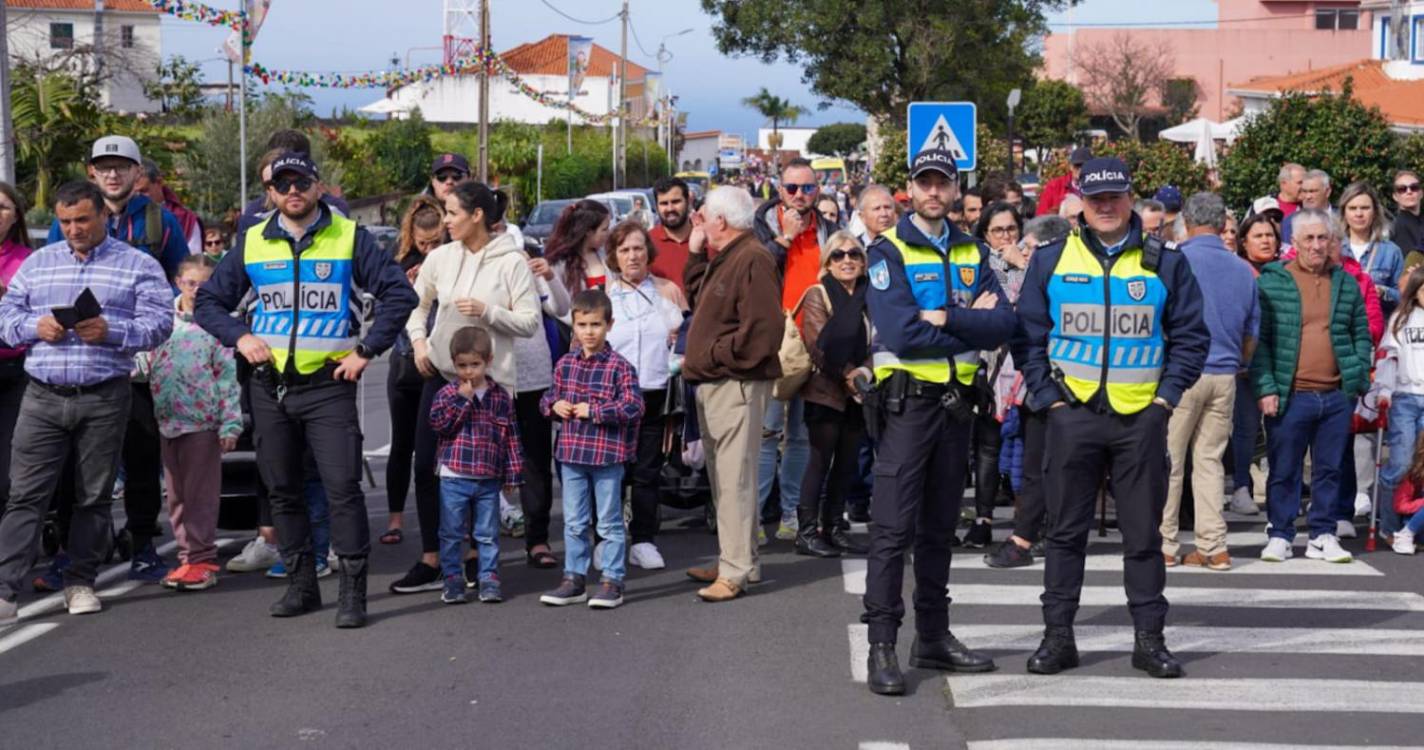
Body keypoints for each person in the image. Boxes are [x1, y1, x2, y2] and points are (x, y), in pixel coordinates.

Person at [195, 152, 418, 628]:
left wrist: (367, 350)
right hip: (270, 387)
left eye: (302, 182)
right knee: (283, 490)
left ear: (318, 187)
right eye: (283, 183)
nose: (292, 190)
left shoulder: (349, 237)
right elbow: (209, 302)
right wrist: (240, 336)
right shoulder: (252, 242)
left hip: (329, 385)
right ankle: (302, 586)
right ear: (270, 193)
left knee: (342, 490)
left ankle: (353, 594)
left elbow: (401, 294)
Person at [1016, 157, 1209, 679]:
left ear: (1130, 199)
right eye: (1095, 197)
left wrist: (1165, 400)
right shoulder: (1052, 257)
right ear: (1080, 200)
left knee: (1143, 536)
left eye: (1115, 197)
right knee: (1063, 535)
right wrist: (1048, 398)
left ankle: (1149, 640)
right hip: (1071, 415)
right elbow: (1028, 336)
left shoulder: (1164, 262)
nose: (1105, 206)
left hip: (1139, 419)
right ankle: (1058, 638)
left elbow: (1193, 338)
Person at [860, 147, 1016, 696]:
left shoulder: (974, 249)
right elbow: (901, 334)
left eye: (942, 183)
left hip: (958, 407)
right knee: (892, 528)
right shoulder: (888, 251)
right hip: (909, 406)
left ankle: (933, 636)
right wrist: (971, 324)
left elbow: (1004, 324)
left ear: (955, 190)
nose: (933, 192)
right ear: (910, 187)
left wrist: (950, 317)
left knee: (938, 529)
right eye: (924, 183)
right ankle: (882, 644)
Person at [0, 180, 172, 623]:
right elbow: (6, 317)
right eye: (64, 221)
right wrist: (33, 327)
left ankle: (80, 581)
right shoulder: (38, 263)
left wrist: (113, 332)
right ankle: (4, 591)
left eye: (82, 220)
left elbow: (159, 324)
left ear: (102, 217)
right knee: (25, 496)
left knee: (93, 496)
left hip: (104, 395)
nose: (73, 229)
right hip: (42, 394)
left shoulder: (138, 264)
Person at [46, 136, 191, 582]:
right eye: (104, 167)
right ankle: (75, 549)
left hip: (139, 362)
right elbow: (53, 276)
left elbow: (180, 281)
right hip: (83, 360)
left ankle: (145, 543)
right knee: (77, 462)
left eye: (122, 167)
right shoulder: (68, 220)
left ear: (136, 173)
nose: (113, 174)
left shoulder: (159, 221)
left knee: (142, 455)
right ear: (92, 172)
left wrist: (143, 309)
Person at [392, 181, 541, 595]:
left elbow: (529, 322)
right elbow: (414, 305)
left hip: (490, 387)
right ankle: (432, 558)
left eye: (453, 212)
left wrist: (489, 312)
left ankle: (476, 557)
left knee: (480, 473)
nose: (446, 221)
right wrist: (420, 342)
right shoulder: (440, 257)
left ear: (477, 215)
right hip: (441, 377)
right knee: (427, 467)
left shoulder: (511, 261)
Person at [1251, 208, 1372, 565]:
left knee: (1330, 469)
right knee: (1284, 469)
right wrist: (1266, 387)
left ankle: (1323, 533)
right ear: (1295, 243)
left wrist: (1358, 375)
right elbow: (1261, 341)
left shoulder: (1345, 282)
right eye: (1309, 238)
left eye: (1324, 238)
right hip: (1291, 395)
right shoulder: (1272, 281)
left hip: (1336, 395)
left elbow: (1360, 332)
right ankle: (1281, 534)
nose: (1317, 245)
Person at [682, 187, 785, 603]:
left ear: (720, 220)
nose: (699, 221)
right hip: (721, 381)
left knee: (735, 480)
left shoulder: (751, 258)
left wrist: (715, 354)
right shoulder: (730, 256)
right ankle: (737, 559)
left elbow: (763, 330)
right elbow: (698, 297)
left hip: (735, 383)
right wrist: (694, 252)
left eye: (703, 216)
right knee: (726, 480)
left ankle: (736, 569)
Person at [1159, 193, 1259, 571]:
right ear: (1222, 224)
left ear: (1186, 219)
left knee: (1170, 461)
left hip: (1180, 372)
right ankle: (1213, 547)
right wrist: (1238, 361)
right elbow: (1252, 330)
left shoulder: (1175, 261)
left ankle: (1166, 545)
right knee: (1210, 461)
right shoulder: (1241, 269)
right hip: (1225, 373)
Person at [538, 290, 645, 609]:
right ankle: (574, 579)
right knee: (573, 521)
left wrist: (595, 411)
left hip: (607, 456)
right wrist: (554, 406)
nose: (588, 331)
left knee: (609, 522)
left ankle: (613, 581)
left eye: (595, 324)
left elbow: (634, 406)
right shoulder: (564, 365)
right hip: (570, 456)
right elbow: (546, 400)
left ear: (609, 325)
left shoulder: (620, 366)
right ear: (573, 325)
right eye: (582, 324)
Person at [752, 157, 838, 542]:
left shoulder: (830, 229)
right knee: (766, 433)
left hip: (814, 345)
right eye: (792, 188)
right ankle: (752, 516)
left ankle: (791, 511)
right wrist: (783, 239)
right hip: (773, 343)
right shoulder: (761, 227)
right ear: (778, 189)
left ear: (818, 190)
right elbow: (753, 273)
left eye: (807, 188)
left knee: (800, 436)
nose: (800, 195)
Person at [147, 254, 242, 591]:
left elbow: (228, 379)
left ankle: (202, 558)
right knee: (176, 496)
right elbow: (144, 359)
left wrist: (230, 424)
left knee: (200, 496)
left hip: (202, 423)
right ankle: (187, 557)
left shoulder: (216, 326)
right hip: (167, 420)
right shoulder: (162, 322)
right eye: (191, 284)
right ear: (178, 283)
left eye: (205, 285)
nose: (196, 291)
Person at [606, 221, 687, 569]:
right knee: (610, 472)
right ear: (614, 256)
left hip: (654, 392)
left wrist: (676, 344)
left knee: (646, 471)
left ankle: (643, 540)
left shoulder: (666, 291)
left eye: (638, 248)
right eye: (624, 250)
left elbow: (685, 336)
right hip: (611, 398)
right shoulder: (605, 297)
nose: (632, 256)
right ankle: (605, 540)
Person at [429, 326, 523, 605]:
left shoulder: (499, 397)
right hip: (454, 475)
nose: (468, 372)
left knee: (487, 532)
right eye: (462, 366)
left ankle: (489, 578)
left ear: (488, 360)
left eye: (475, 364)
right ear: (453, 363)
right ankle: (453, 579)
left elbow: (512, 436)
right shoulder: (447, 393)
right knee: (451, 532)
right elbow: (440, 426)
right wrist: (462, 400)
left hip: (488, 477)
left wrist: (513, 473)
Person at [794, 230, 872, 558]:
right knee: (819, 461)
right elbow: (818, 347)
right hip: (825, 391)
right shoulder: (817, 294)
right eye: (838, 255)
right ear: (828, 262)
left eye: (854, 254)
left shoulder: (872, 296)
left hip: (861, 392)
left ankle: (835, 527)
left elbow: (880, 341)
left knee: (847, 463)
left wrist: (865, 373)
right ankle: (808, 532)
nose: (847, 260)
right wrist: (849, 377)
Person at [962, 203, 1026, 549]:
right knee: (986, 446)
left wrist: (1021, 265)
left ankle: (1028, 522)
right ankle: (983, 519)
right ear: (985, 234)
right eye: (998, 230)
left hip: (1025, 366)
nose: (1006, 236)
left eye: (1011, 229)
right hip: (989, 363)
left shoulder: (1032, 261)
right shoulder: (977, 264)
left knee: (1025, 448)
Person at [382, 196, 445, 545]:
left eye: (436, 242)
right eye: (423, 243)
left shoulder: (453, 263)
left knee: (431, 450)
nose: (429, 249)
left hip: (438, 364)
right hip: (405, 363)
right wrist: (407, 286)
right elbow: (388, 314)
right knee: (401, 446)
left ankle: (435, 524)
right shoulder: (400, 263)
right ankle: (394, 519)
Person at [1227, 213, 1282, 516]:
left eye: (1270, 235)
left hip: (1278, 362)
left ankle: (1281, 487)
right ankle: (1240, 487)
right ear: (1244, 242)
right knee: (1246, 428)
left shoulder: (1285, 272)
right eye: (1258, 235)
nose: (1265, 240)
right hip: (1244, 362)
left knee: (1280, 429)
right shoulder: (1238, 272)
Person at [1378, 267, 1424, 550]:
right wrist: (1384, 389)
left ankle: (1412, 527)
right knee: (1401, 463)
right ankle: (1389, 527)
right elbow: (1388, 356)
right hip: (1406, 397)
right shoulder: (1401, 319)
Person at [0, 183, 32, 519]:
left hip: (15, 369)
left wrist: (6, 296)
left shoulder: (28, 260)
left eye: (3, 207)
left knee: (8, 470)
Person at [1339, 182, 1404, 319]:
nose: (1359, 214)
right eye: (1352, 208)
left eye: (1365, 208)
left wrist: (1382, 291)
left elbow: (1404, 296)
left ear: (1374, 212)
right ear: (1344, 212)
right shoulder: (1334, 250)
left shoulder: (1391, 251)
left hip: (1378, 329)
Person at [546, 199, 612, 295]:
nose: (608, 233)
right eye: (604, 229)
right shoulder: (560, 264)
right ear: (588, 231)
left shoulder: (606, 255)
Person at [139, 159, 203, 254]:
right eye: (133, 193)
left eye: (143, 191)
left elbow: (193, 262)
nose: (138, 197)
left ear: (159, 182)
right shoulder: (122, 217)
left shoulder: (186, 220)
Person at [648, 176, 699, 291]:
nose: (670, 208)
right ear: (656, 206)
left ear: (688, 201)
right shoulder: (646, 242)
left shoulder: (707, 240)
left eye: (676, 202)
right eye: (664, 203)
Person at [1282, 169, 1333, 245]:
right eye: (1304, 191)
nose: (1308, 196)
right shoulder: (1289, 223)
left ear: (1327, 192)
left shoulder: (1344, 218)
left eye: (1313, 191)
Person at [1037, 146, 1091, 217]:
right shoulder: (1055, 186)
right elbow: (1041, 215)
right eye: (1077, 166)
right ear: (1071, 167)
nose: (1081, 169)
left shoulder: (1097, 185)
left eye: (1085, 166)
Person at [1391, 170, 1422, 266]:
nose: (1409, 192)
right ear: (1395, 196)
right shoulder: (1399, 226)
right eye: (1402, 189)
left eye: (1414, 187)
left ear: (1421, 193)